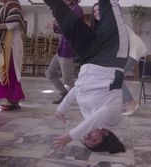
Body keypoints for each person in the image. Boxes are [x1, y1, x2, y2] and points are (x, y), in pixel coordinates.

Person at [43, 0, 127, 154]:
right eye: (93, 139)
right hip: (112, 52)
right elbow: (95, 119)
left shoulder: (86, 113)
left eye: (85, 138)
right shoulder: (113, 119)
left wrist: (61, 109)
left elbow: (78, 88)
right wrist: (71, 135)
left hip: (87, 56)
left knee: (60, 12)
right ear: (105, 134)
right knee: (107, 3)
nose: (87, 135)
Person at [91, 3, 147, 116]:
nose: (96, 13)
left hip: (132, 52)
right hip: (129, 52)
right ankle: (119, 103)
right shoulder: (106, 24)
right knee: (112, 76)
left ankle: (130, 103)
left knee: (114, 76)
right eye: (94, 11)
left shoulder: (112, 22)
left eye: (99, 10)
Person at [45, 0, 83, 104]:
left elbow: (71, 28)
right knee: (50, 73)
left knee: (68, 80)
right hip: (61, 50)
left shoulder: (77, 9)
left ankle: (84, 97)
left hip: (68, 51)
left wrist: (54, 27)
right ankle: (64, 92)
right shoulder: (67, 9)